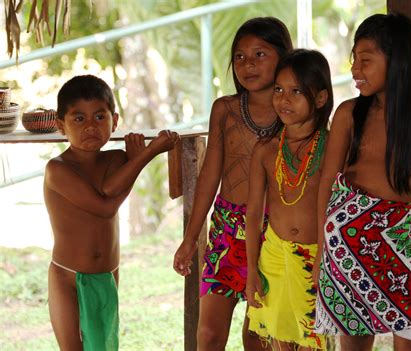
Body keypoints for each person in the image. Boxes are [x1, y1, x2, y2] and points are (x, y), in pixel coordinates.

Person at [314, 13, 411, 351]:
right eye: (354, 60)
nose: (356, 69)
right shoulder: (348, 113)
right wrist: (320, 254)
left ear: (398, 59)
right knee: (354, 344)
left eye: (366, 60)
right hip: (344, 243)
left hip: (396, 238)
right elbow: (327, 184)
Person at [173, 17, 293, 350]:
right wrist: (190, 238)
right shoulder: (225, 109)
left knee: (259, 335)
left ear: (284, 57)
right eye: (239, 57)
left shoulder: (294, 111)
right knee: (208, 334)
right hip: (228, 230)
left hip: (275, 233)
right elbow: (210, 174)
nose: (248, 64)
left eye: (259, 54)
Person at [44, 74, 179, 351]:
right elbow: (105, 206)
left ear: (114, 121)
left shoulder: (116, 159)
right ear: (61, 126)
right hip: (67, 277)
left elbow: (111, 187)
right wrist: (145, 155)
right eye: (78, 119)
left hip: (107, 274)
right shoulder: (58, 170)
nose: (90, 127)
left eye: (99, 117)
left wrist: (133, 160)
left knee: (104, 346)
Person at [245, 49, 331, 351]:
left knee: (315, 342)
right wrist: (252, 270)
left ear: (320, 98)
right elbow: (254, 213)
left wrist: (326, 258)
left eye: (296, 91)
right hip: (273, 257)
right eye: (279, 89)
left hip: (316, 258)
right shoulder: (266, 150)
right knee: (280, 342)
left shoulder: (333, 148)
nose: (284, 99)